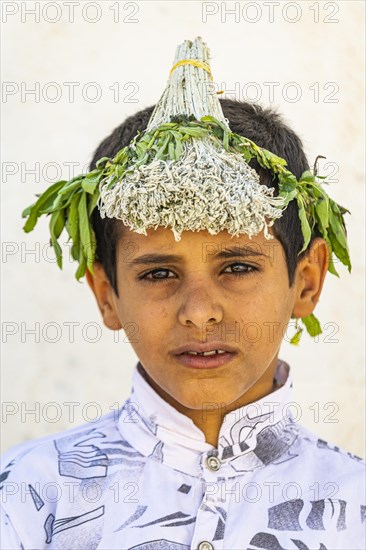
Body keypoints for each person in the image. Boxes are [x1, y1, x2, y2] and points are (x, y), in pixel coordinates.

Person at [1, 37, 365, 550]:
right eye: (157, 274)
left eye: (237, 266)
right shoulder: (24, 499)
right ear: (107, 294)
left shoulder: (356, 510)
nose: (198, 313)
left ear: (306, 282)